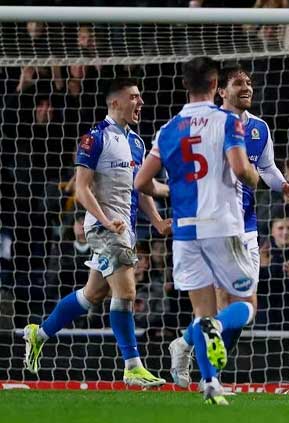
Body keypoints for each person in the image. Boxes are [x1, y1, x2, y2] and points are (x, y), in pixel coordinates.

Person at [23, 78, 171, 387]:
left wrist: (157, 220)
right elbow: (81, 188)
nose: (140, 102)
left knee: (92, 295)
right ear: (114, 102)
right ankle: (132, 367)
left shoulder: (137, 143)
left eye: (141, 97)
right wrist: (104, 220)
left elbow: (141, 188)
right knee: (127, 292)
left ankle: (40, 333)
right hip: (102, 229)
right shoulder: (95, 138)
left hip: (123, 229)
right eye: (134, 97)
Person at [135, 56, 260, 405]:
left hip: (186, 232)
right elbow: (239, 169)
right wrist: (254, 177)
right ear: (215, 83)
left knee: (203, 311)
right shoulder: (227, 120)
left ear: (185, 84)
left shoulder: (168, 128)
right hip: (223, 225)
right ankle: (215, 332)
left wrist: (169, 190)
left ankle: (210, 384)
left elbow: (142, 181)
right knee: (247, 306)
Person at [167, 64, 289, 389]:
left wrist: (283, 185)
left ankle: (186, 344)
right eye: (238, 83)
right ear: (220, 90)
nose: (247, 88)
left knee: (242, 307)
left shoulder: (259, 129)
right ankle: (209, 377)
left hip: (247, 229)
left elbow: (265, 167)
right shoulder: (207, 126)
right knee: (224, 301)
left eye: (250, 82)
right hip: (213, 226)